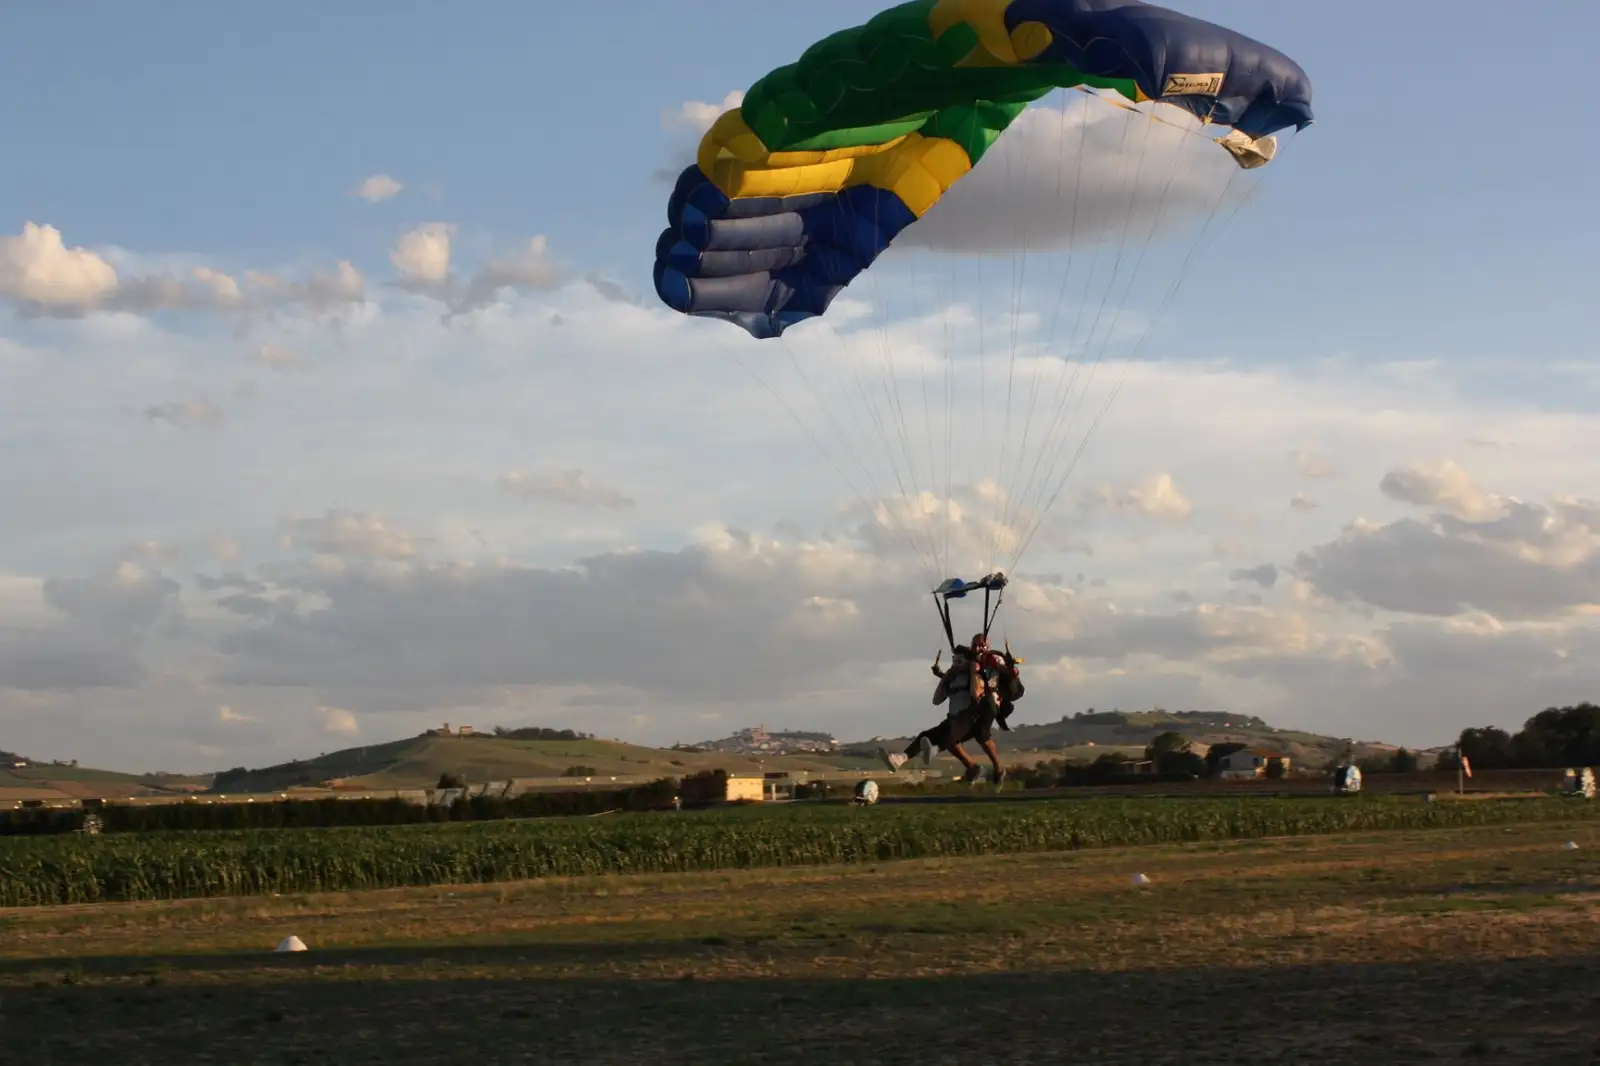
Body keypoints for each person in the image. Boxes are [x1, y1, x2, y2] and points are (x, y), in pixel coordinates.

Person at [877, 633, 1022, 786]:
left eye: (959, 661)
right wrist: (946, 678)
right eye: (954, 661)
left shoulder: (975, 674)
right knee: (929, 735)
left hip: (972, 716)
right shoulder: (952, 679)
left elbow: (977, 693)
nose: (955, 664)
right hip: (956, 718)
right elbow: (936, 700)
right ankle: (900, 759)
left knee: (964, 735)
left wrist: (973, 670)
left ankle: (989, 767)